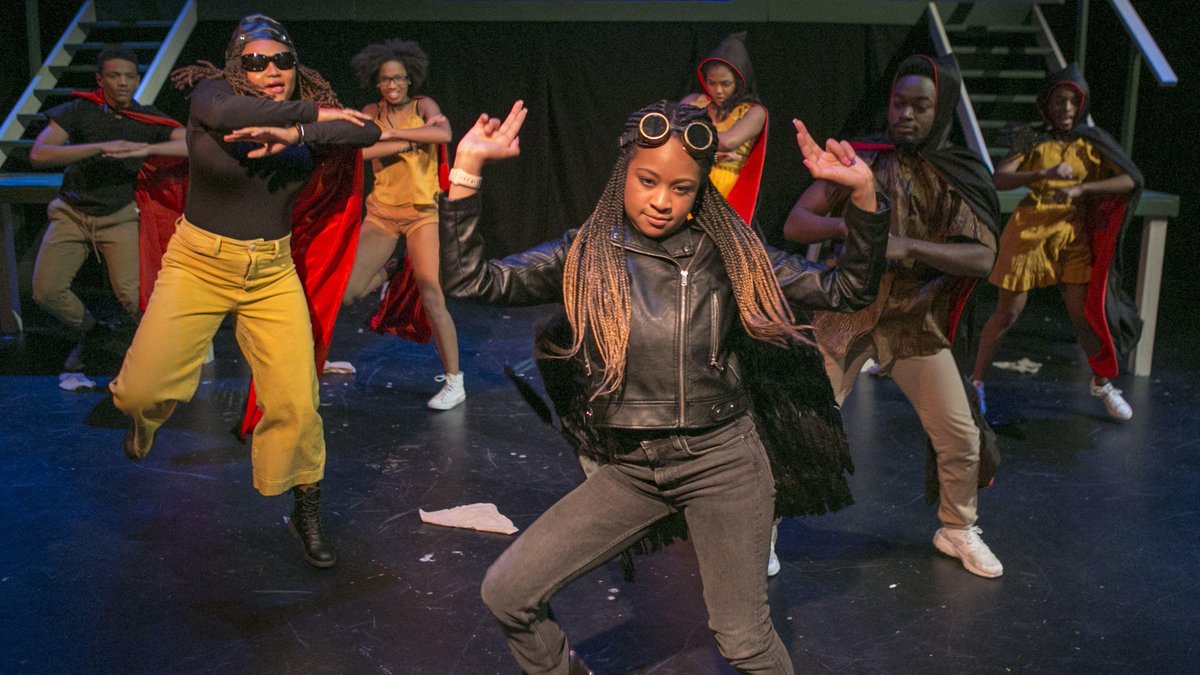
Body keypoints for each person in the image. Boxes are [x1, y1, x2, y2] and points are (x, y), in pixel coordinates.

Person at [441, 99, 888, 673]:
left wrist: (866, 200)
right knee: (507, 592)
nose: (661, 201)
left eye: (681, 188)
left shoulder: (726, 251)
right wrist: (467, 170)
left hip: (721, 462)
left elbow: (844, 292)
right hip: (632, 468)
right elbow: (472, 278)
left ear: (700, 188)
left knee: (744, 640)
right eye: (648, 181)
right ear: (623, 171)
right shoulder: (584, 254)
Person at [108, 15, 380, 568]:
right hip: (198, 264)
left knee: (299, 403)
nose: (271, 71)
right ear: (237, 66)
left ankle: (304, 505)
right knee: (139, 391)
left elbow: (368, 131)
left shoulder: (311, 115)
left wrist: (300, 132)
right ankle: (142, 418)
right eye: (256, 62)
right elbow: (232, 113)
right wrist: (309, 116)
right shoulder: (213, 97)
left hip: (271, 273)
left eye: (282, 61)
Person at [783, 54, 1005, 579]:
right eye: (898, 103)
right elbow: (797, 222)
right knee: (804, 423)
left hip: (913, 322)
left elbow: (982, 256)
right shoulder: (862, 158)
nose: (905, 114)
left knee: (959, 433)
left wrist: (907, 247)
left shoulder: (955, 171)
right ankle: (762, 527)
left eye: (920, 106)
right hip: (848, 313)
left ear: (941, 108)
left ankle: (957, 527)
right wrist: (853, 228)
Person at [971, 64, 1141, 420]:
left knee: (1083, 317)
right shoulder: (1033, 138)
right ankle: (976, 383)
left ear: (1082, 105)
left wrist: (1083, 188)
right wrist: (1042, 173)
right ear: (1046, 105)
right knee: (1007, 314)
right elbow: (999, 179)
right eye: (1059, 101)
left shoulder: (1092, 141)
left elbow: (1129, 180)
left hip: (1071, 234)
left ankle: (1101, 383)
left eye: (1072, 101)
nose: (1065, 108)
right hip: (1030, 230)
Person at [29, 46, 186, 380]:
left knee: (133, 295)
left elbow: (190, 143)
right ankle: (95, 332)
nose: (123, 83)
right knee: (47, 291)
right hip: (72, 213)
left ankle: (163, 355)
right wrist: (100, 146)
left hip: (118, 216)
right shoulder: (79, 111)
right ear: (100, 80)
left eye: (129, 76)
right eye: (114, 76)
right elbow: (40, 153)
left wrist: (147, 148)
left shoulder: (145, 118)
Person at [338, 38, 463, 410]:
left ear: (410, 80)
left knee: (430, 294)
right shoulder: (369, 112)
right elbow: (359, 151)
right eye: (385, 80)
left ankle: (455, 381)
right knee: (348, 292)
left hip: (422, 213)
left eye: (399, 79)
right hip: (381, 214)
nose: (393, 86)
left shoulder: (424, 106)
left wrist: (392, 135)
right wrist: (404, 142)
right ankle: (319, 359)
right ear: (376, 82)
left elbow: (442, 134)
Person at [681, 31, 768, 222]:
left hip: (726, 191)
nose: (718, 90)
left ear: (739, 80)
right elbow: (671, 134)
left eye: (725, 84)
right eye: (712, 83)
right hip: (687, 181)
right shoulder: (694, 102)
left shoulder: (753, 112)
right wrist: (709, 155)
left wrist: (694, 145)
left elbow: (728, 141)